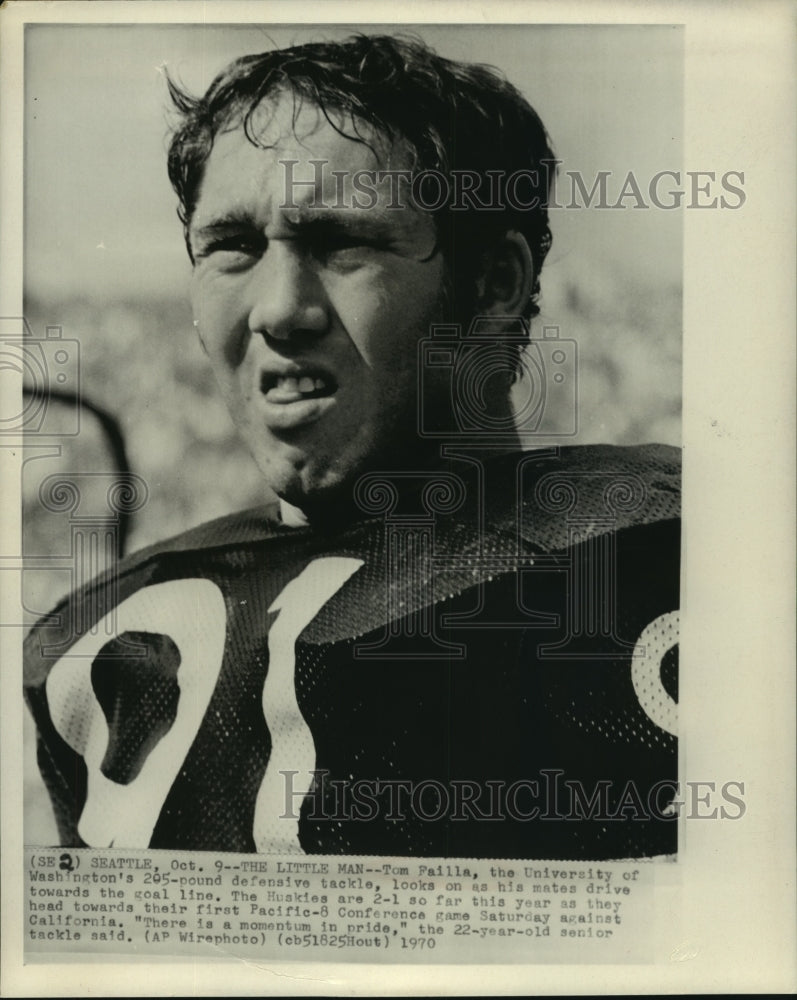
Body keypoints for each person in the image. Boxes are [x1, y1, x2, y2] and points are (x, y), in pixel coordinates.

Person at [23, 34, 680, 859]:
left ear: (493, 286)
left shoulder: (663, 551)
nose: (277, 308)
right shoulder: (98, 638)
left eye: (342, 243)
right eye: (231, 246)